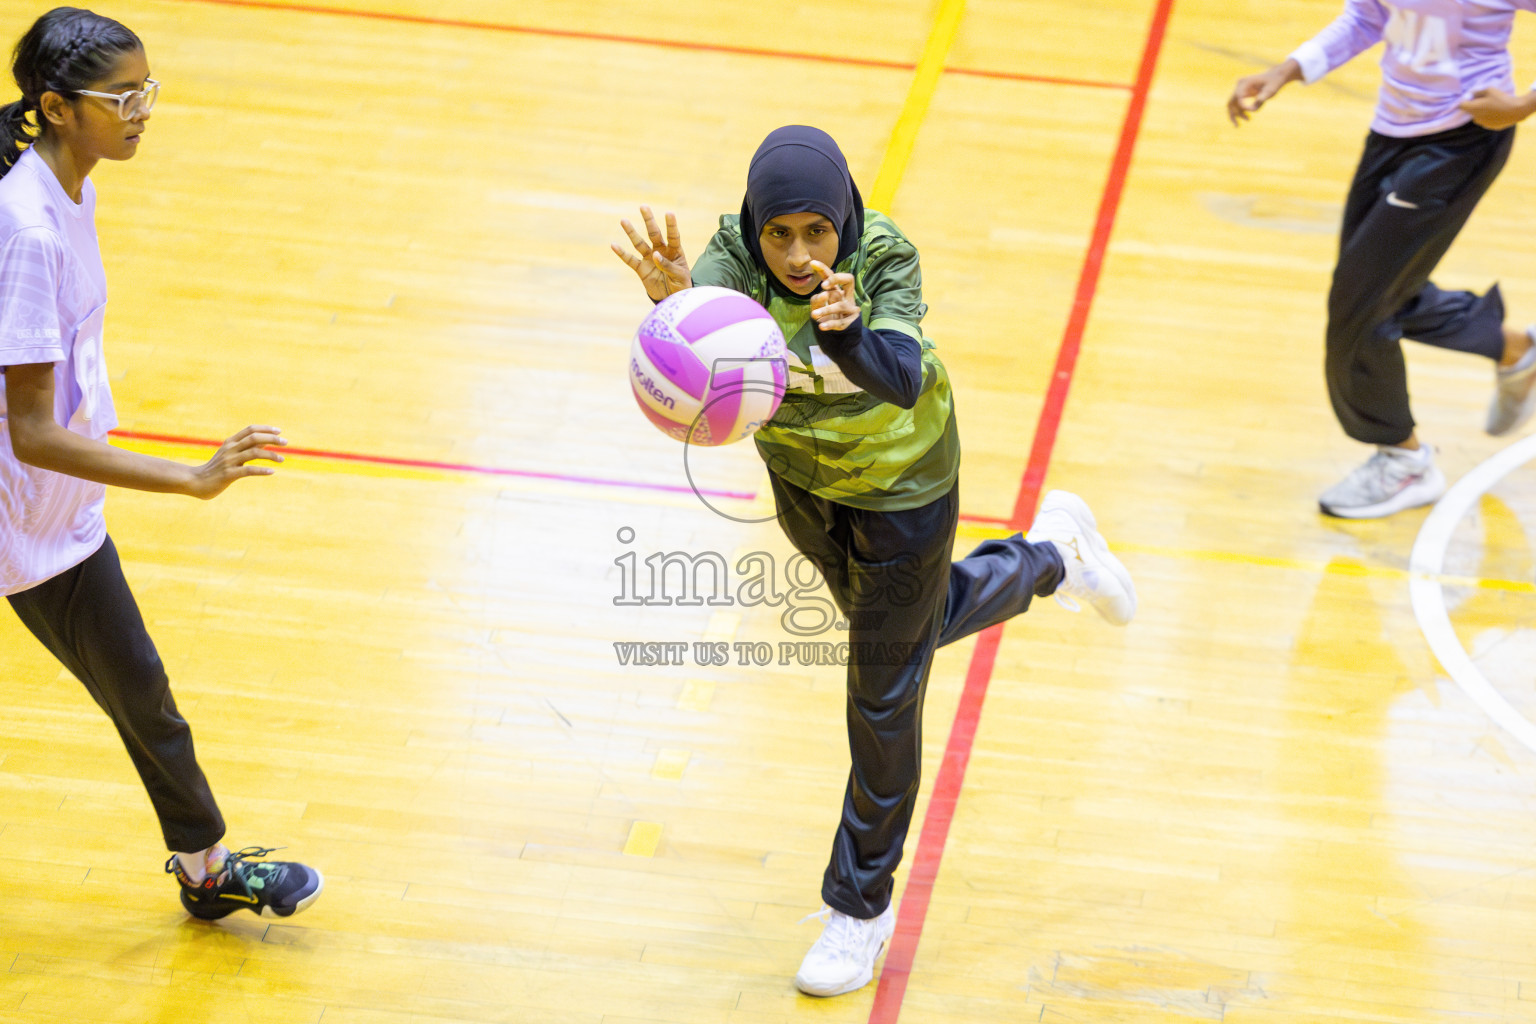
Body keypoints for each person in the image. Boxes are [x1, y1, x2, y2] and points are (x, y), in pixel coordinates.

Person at [613, 125, 1136, 997]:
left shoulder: (887, 258)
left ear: (844, 219)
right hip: (804, 490)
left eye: (814, 231)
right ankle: (1051, 556)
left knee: (883, 694)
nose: (795, 253)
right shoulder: (733, 254)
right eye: (778, 232)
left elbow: (896, 374)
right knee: (900, 638)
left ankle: (859, 909)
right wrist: (671, 310)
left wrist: (846, 330)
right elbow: (693, 355)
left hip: (904, 491)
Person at [0, 7, 322, 921]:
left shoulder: (70, 187)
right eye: (123, 96)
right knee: (145, 697)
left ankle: (205, 869)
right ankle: (209, 872)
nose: (143, 110)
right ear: (59, 108)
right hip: (26, 518)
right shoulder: (28, 228)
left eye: (149, 90)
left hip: (54, 508)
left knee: (143, 697)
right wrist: (188, 476)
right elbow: (29, 428)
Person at [1228, 0, 1536, 519]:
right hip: (1391, 133)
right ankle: (1515, 350)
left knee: (1358, 308)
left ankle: (1405, 459)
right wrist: (1288, 68)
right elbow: (1369, 16)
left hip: (1461, 143)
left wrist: (1523, 104)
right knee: (1383, 293)